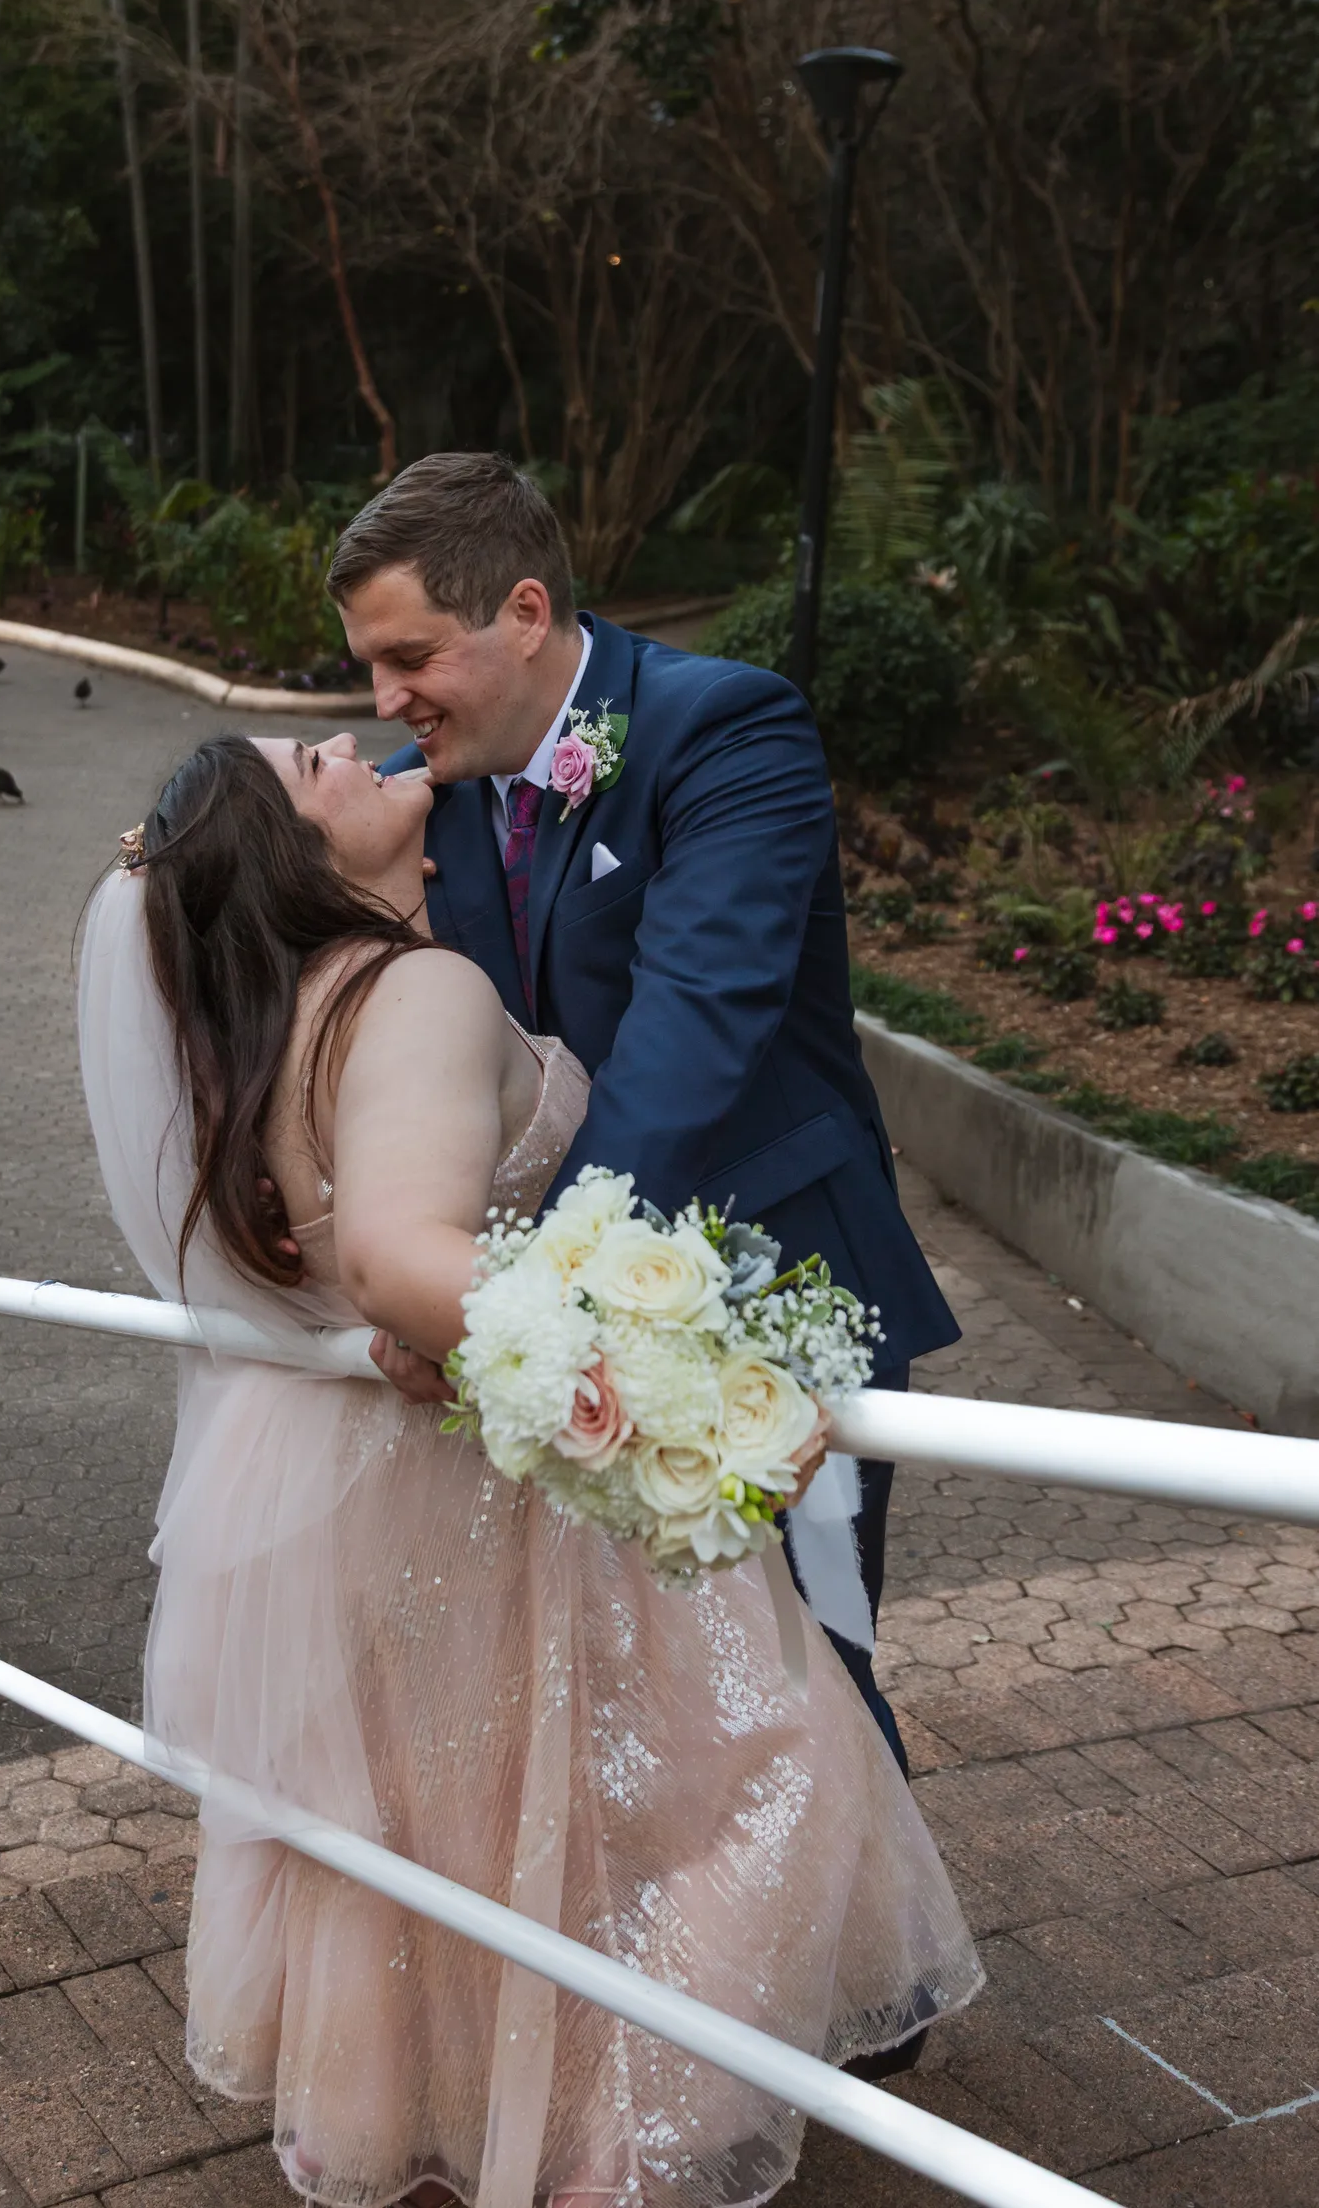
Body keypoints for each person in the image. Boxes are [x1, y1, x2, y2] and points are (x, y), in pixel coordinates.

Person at [77, 730, 981, 2208]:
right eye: (309, 762)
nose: (352, 736)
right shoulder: (413, 992)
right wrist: (662, 1396)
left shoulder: (267, 1031)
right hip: (498, 1497)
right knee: (751, 1772)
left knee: (459, 1822)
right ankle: (615, 2151)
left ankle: (464, 2125)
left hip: (366, 1493)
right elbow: (392, 1251)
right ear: (294, 854)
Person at [328, 454, 960, 1772]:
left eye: (411, 657)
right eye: (369, 665)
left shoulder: (726, 729)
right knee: (624, 1700)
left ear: (519, 610)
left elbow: (693, 1032)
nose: (384, 698)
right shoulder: (414, 795)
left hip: (778, 1295)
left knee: (805, 1680)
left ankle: (857, 1978)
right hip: (560, 1347)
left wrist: (510, 1317)